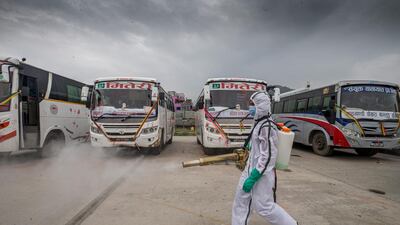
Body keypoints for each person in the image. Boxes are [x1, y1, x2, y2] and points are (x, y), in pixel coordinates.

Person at [232, 92, 297, 225]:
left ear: (261, 105)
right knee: (241, 201)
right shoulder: (258, 123)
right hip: (250, 170)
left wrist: (254, 176)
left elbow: (268, 156)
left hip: (261, 174)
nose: (249, 107)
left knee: (264, 207)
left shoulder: (267, 126)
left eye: (252, 105)